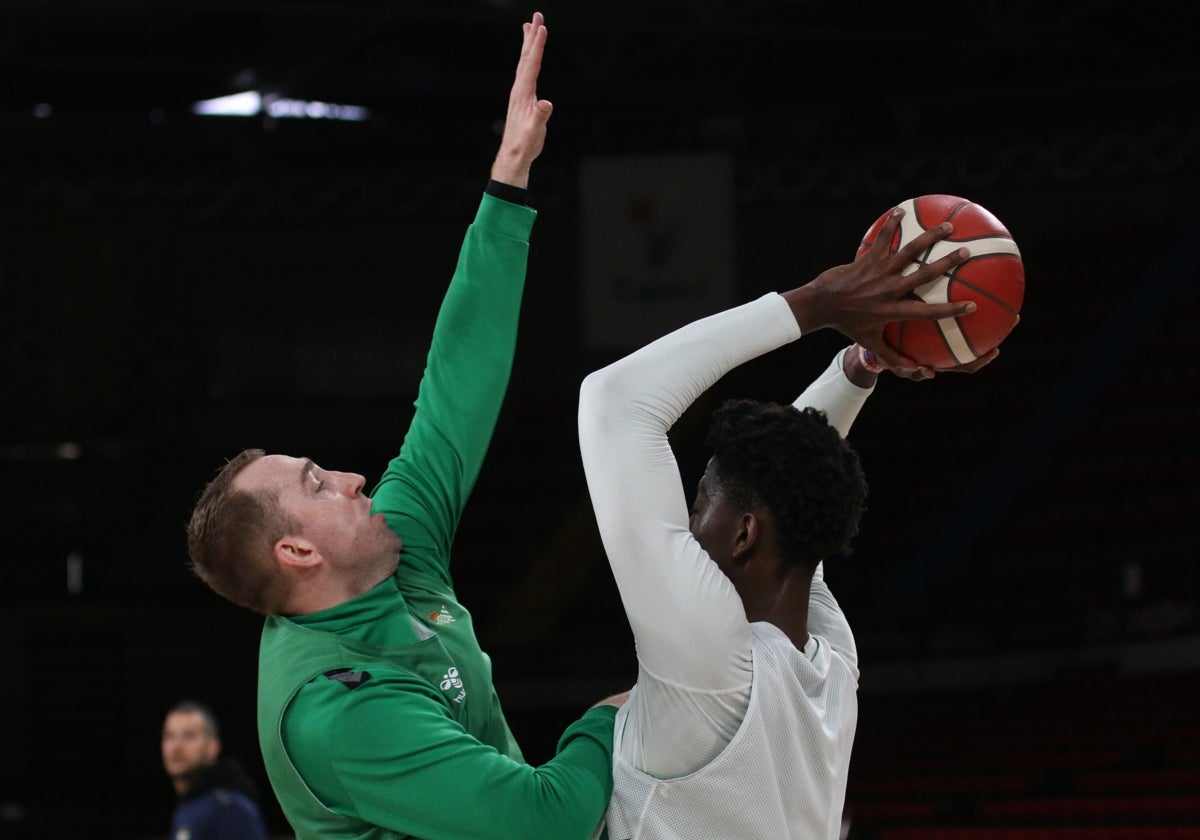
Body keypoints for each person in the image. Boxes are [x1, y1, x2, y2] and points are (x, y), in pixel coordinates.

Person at [185, 12, 624, 840]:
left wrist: (508, 176)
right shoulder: (337, 712)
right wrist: (620, 714)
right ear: (298, 552)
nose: (353, 478)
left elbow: (454, 388)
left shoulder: (388, 548)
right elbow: (545, 819)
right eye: (318, 485)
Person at [578, 209, 996, 839]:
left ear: (745, 533)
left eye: (698, 507)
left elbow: (613, 401)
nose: (686, 526)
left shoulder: (708, 665)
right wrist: (860, 365)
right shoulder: (827, 659)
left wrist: (819, 302)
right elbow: (791, 478)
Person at [161, 700, 270, 840]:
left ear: (212, 747)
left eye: (189, 736)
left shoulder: (229, 809)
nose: (176, 747)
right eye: (169, 736)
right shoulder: (188, 805)